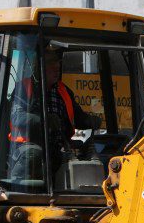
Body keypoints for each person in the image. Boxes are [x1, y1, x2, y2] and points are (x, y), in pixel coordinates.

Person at [8, 49, 101, 184]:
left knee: (88, 156)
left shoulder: (63, 91)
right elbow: (17, 117)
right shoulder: (24, 88)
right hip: (28, 147)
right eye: (52, 66)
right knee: (34, 155)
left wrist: (91, 121)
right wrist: (44, 120)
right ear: (39, 67)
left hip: (58, 147)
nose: (57, 70)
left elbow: (78, 117)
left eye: (58, 66)